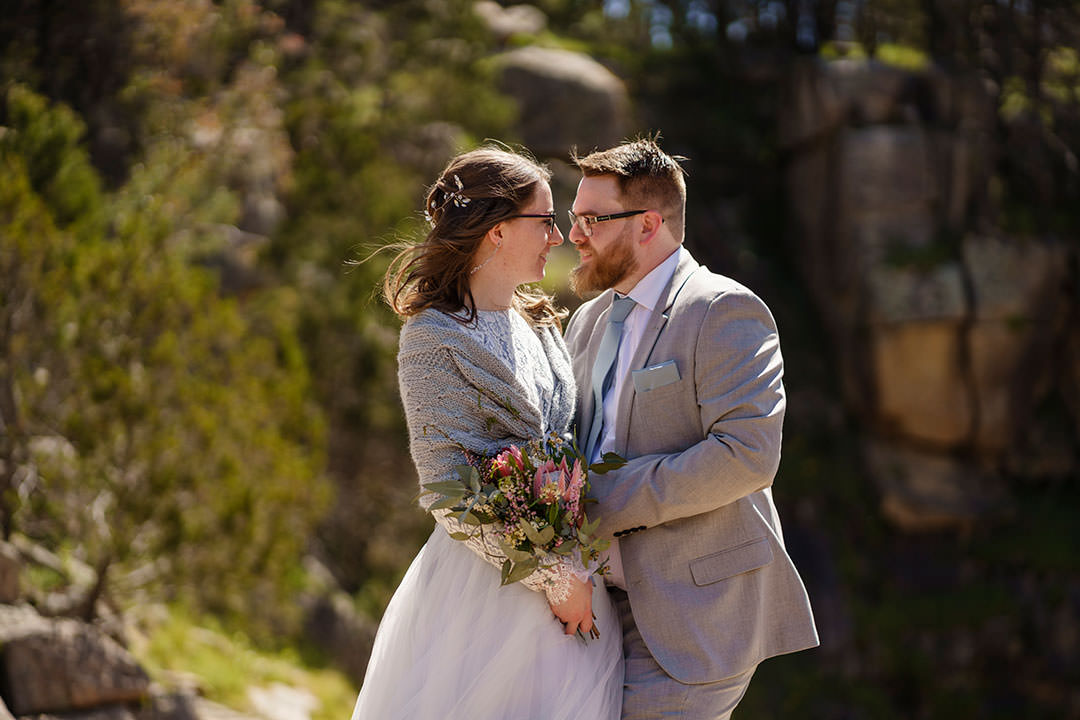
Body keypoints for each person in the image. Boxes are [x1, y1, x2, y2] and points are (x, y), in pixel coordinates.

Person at [350, 146, 623, 720]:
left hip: (568, 591)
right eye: (545, 220)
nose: (558, 236)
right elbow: (444, 490)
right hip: (482, 599)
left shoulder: (539, 320)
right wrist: (553, 576)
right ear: (498, 231)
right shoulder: (432, 338)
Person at [563, 137, 819, 719]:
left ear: (649, 223)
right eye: (574, 218)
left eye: (592, 220)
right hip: (593, 609)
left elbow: (747, 455)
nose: (574, 235)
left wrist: (602, 500)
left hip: (694, 617)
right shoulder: (587, 323)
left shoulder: (724, 309)